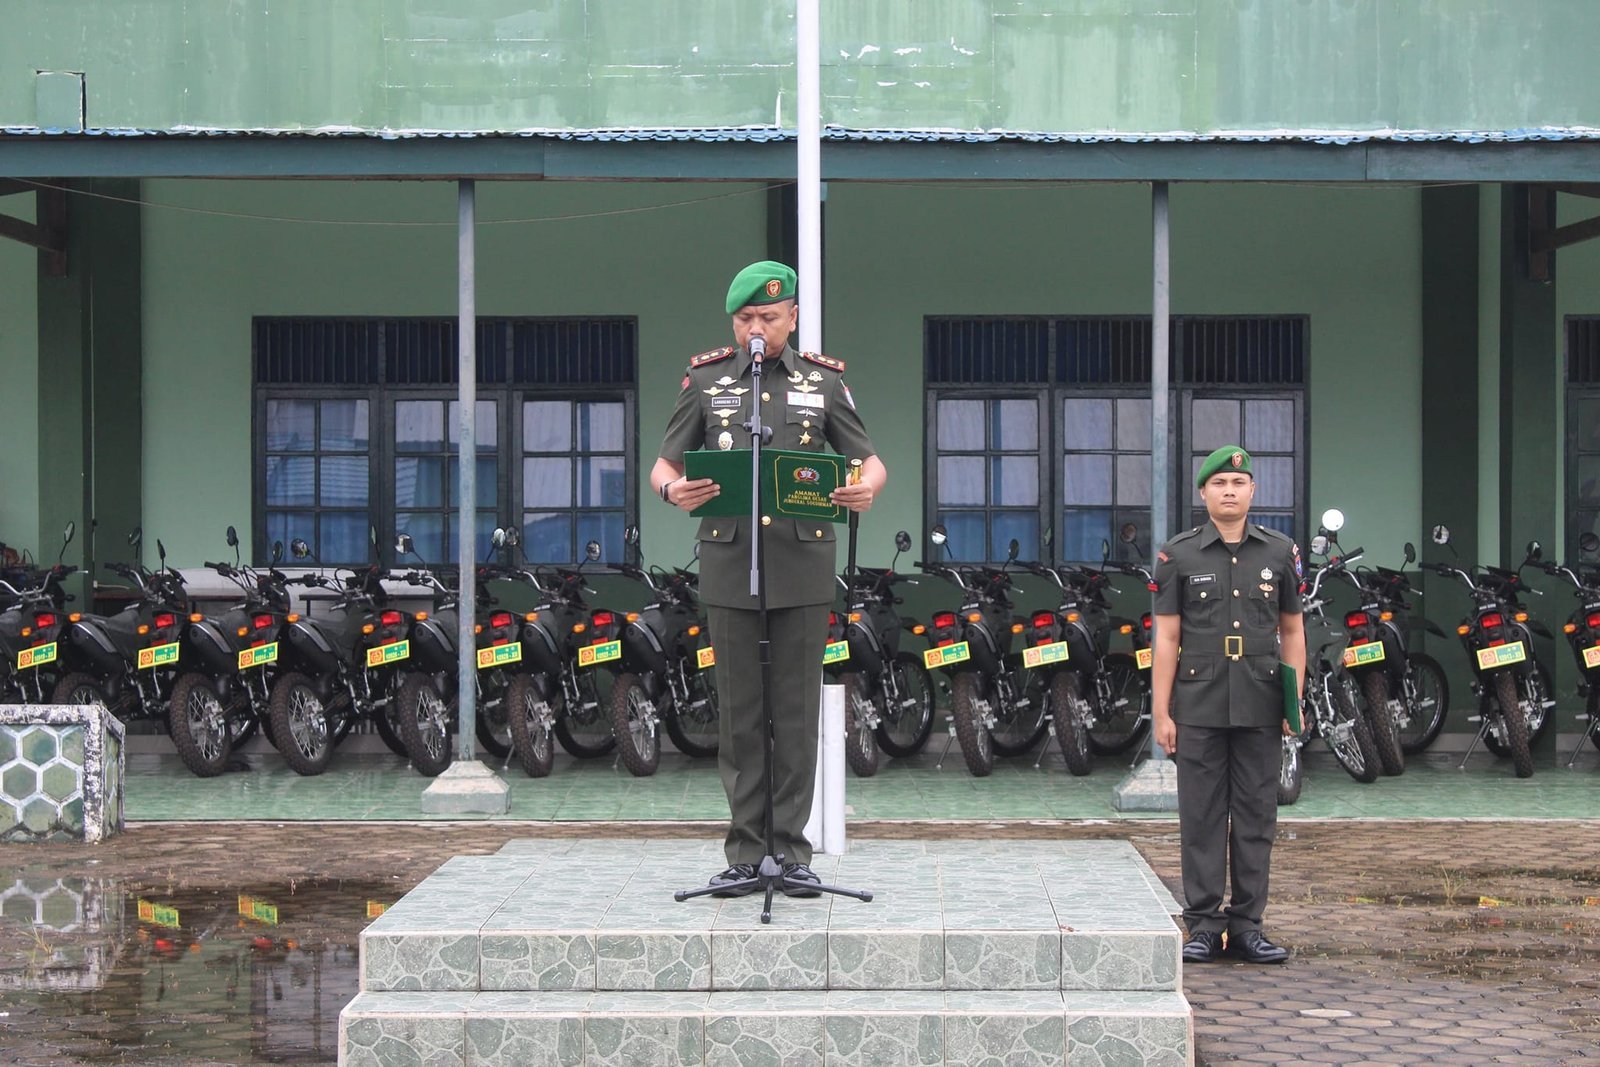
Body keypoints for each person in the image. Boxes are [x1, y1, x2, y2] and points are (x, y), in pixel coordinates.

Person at [651, 260, 887, 896]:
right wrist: (673, 490)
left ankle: (791, 852)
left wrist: (864, 488)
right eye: (745, 318)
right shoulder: (707, 379)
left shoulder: (823, 381)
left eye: (768, 318)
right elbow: (665, 463)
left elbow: (869, 459)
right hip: (730, 566)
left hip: (804, 566)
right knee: (740, 716)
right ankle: (744, 851)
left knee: (793, 709)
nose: (756, 329)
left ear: (793, 317)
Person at [1150, 446, 1306, 964]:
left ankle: (1246, 927)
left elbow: (1292, 630)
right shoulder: (1179, 555)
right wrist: (1162, 710)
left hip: (1261, 703)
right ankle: (1201, 926)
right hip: (1199, 704)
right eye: (1219, 484)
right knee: (1201, 817)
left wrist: (1294, 701)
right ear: (1204, 494)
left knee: (1258, 816)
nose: (1230, 492)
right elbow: (1167, 637)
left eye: (1239, 483)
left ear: (1253, 491)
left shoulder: (1279, 552)